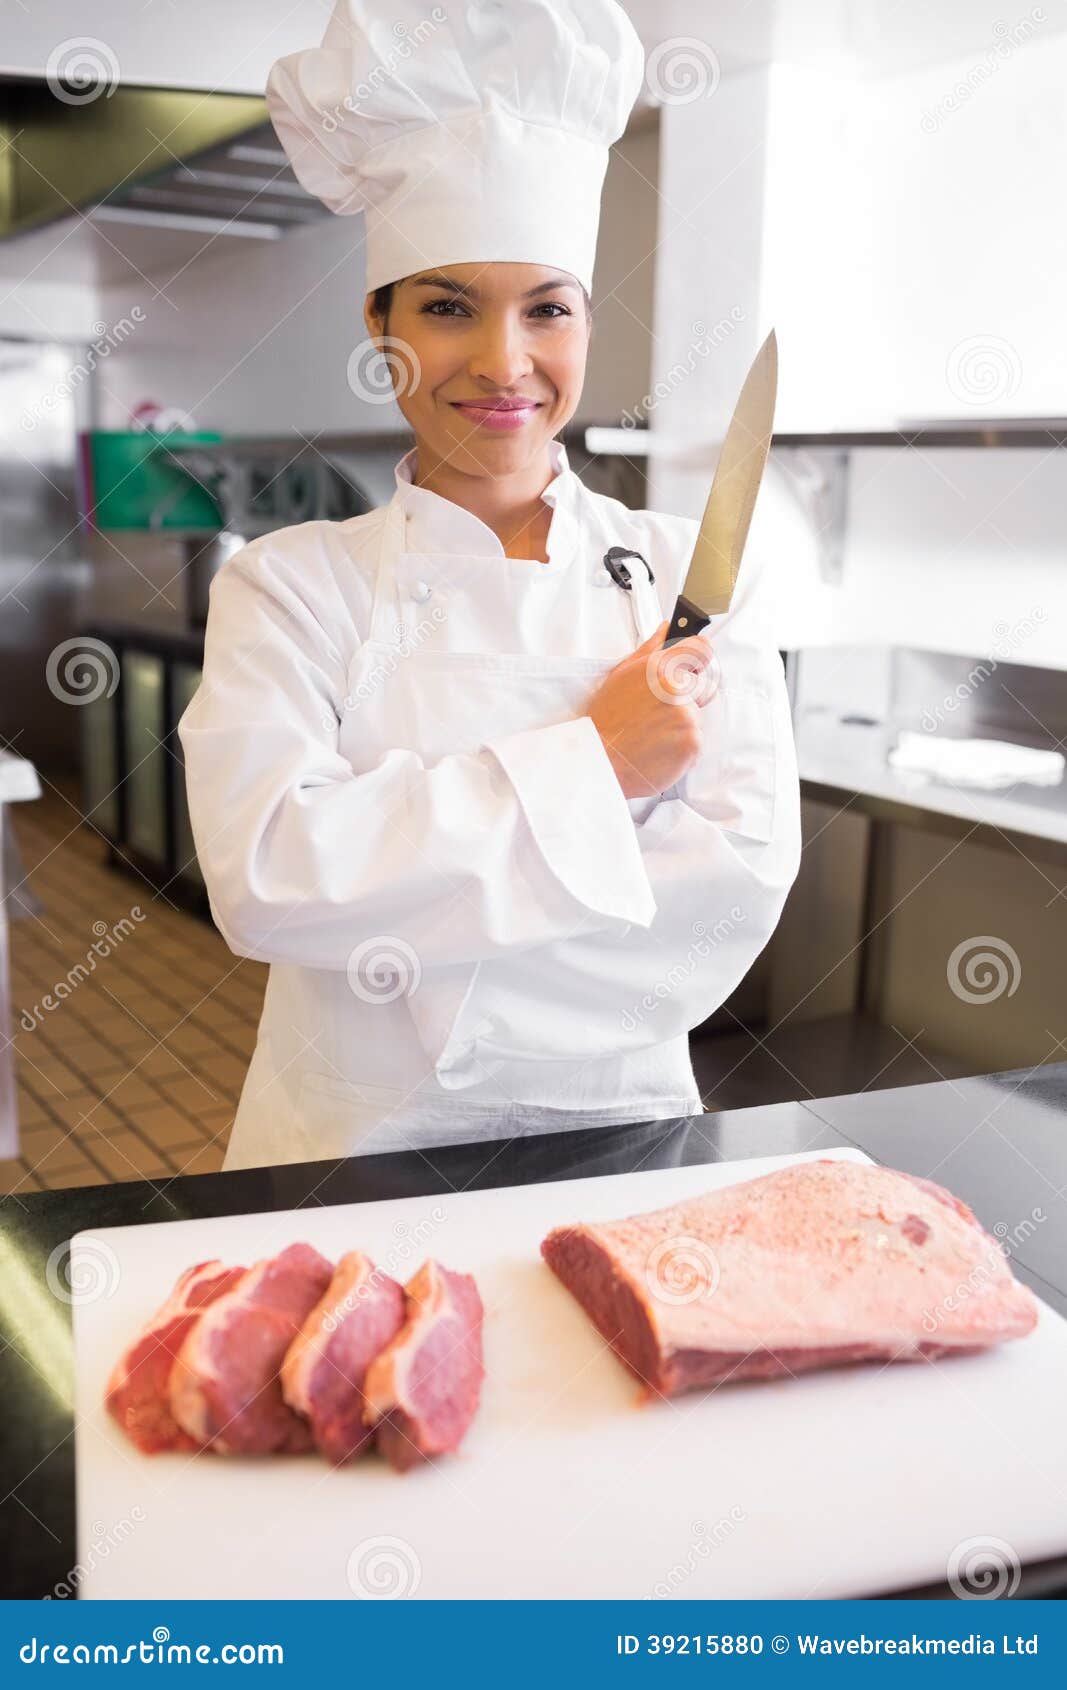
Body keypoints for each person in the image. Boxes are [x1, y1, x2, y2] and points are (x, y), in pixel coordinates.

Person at [178, 0, 802, 1170]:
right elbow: (268, 880)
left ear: (581, 322)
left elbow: (733, 890)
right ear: (382, 323)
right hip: (345, 1147)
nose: (503, 363)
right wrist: (599, 765)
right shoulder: (291, 586)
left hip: (619, 1137)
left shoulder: (691, 570)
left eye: (547, 309)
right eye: (448, 306)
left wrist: (416, 935)